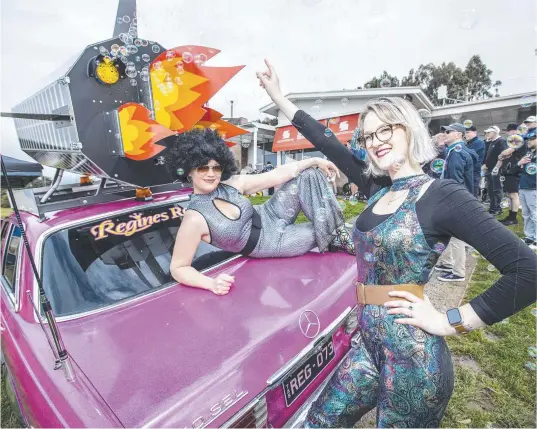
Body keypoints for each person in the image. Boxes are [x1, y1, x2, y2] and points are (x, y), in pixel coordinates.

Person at [256, 59, 537, 428]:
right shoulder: (378, 187)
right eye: (369, 136)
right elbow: (326, 142)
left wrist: (451, 320)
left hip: (415, 361)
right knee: (318, 422)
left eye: (385, 129)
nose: (376, 142)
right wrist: (279, 97)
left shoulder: (441, 195)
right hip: (367, 347)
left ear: (408, 128)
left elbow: (528, 272)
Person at [168, 129, 355, 295]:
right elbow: (178, 267)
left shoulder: (230, 184)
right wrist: (211, 283)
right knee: (323, 231)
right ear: (188, 170)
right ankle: (341, 235)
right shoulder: (194, 219)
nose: (211, 174)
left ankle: (341, 235)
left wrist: (314, 160)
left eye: (216, 167)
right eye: (202, 167)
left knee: (310, 174)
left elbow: (275, 175)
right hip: (269, 243)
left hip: (272, 212)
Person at [434, 123, 477, 282]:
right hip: (458, 197)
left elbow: (455, 181)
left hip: (456, 198)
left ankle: (458, 272)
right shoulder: (454, 151)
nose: (445, 133)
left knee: (457, 234)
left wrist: (448, 199)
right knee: (448, 231)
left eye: (448, 131)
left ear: (458, 134)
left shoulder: (457, 153)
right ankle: (448, 262)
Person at [495, 124, 525, 225]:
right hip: (509, 171)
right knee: (510, 195)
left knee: (514, 195)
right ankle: (510, 216)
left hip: (515, 171)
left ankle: (513, 218)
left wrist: (503, 153)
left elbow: (505, 153)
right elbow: (502, 155)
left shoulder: (519, 141)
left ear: (513, 131)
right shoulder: (513, 143)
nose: (507, 133)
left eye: (508, 131)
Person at [518, 133, 537, 249]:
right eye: (528, 139)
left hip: (533, 187)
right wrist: (520, 163)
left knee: (535, 214)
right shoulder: (529, 153)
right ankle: (529, 237)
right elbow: (520, 168)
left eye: (532, 139)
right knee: (526, 214)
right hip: (524, 186)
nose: (529, 141)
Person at [482, 125, 507, 215]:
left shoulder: (500, 141)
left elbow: (503, 155)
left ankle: (498, 208)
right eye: (486, 132)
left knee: (496, 189)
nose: (487, 134)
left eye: (489, 132)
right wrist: (485, 164)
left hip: (496, 169)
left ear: (495, 132)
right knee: (490, 189)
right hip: (489, 169)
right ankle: (492, 207)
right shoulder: (491, 142)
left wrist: (497, 167)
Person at [464, 125, 486, 197]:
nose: (466, 134)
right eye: (465, 133)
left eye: (468, 132)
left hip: (474, 172)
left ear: (475, 133)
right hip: (469, 172)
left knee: (472, 194)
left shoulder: (478, 142)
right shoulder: (467, 144)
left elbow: (469, 155)